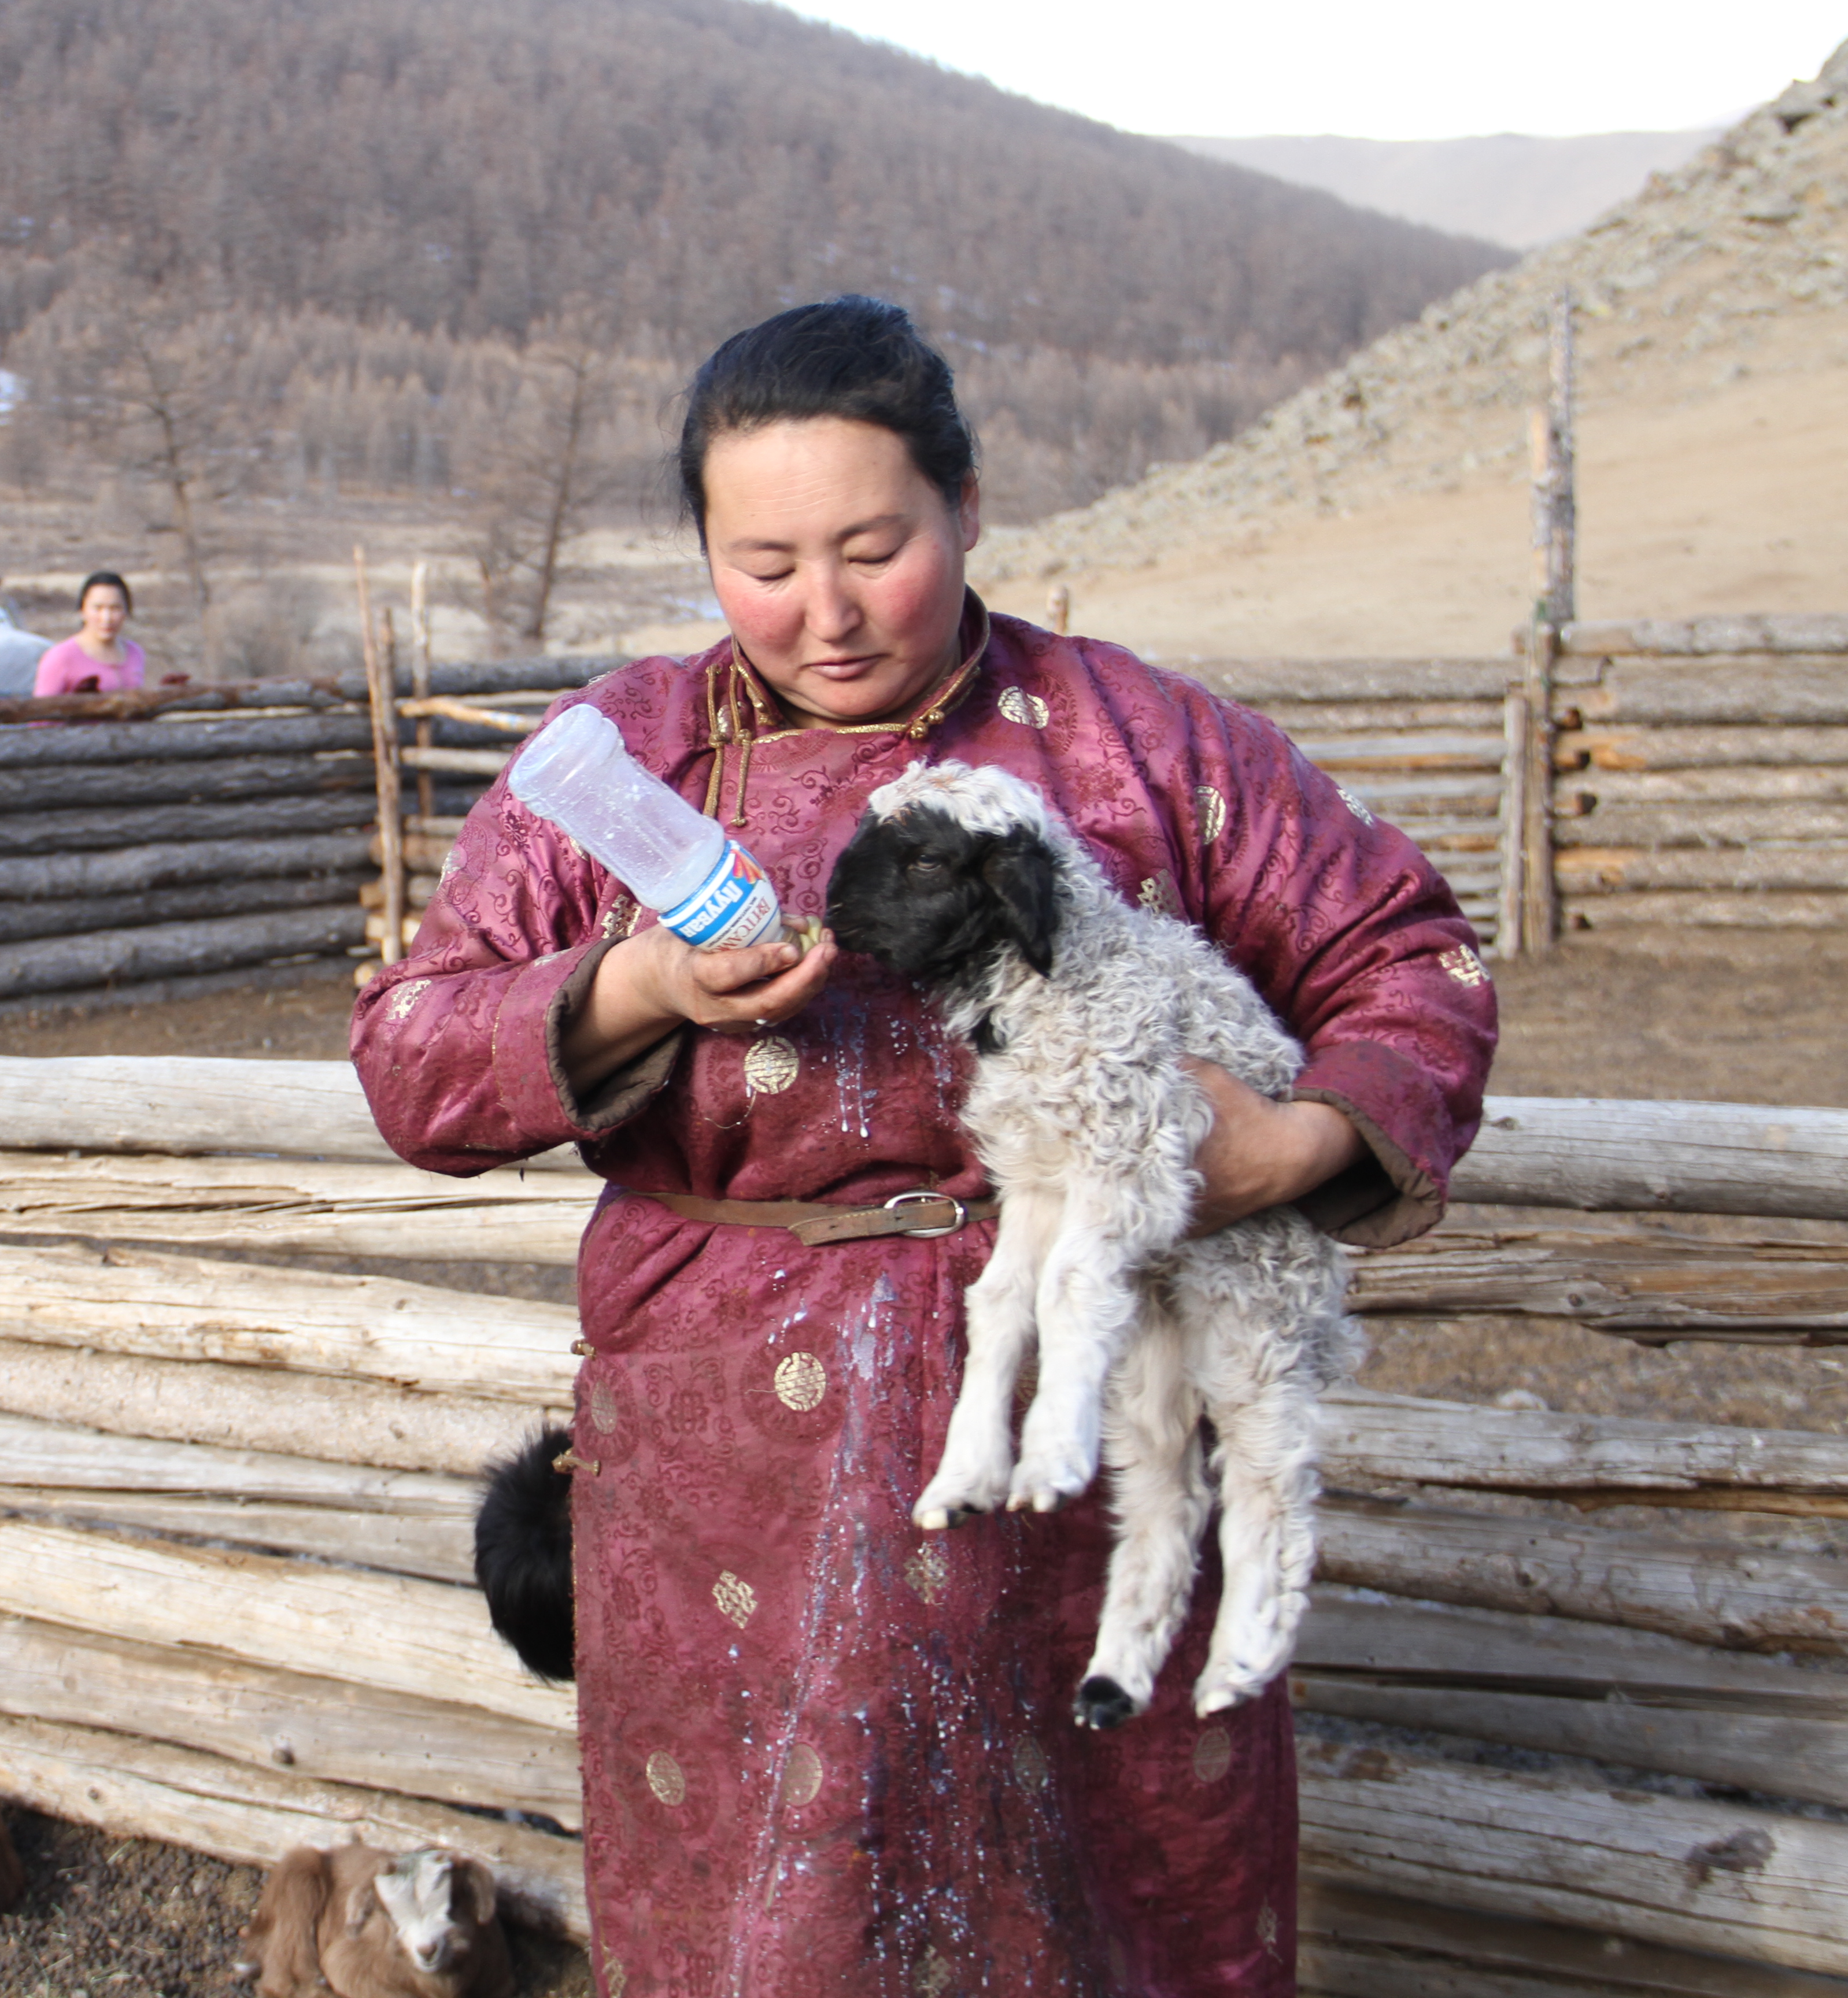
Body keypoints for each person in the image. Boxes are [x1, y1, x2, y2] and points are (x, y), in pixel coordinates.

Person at [349, 297, 1495, 1997]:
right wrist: (635, 988)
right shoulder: (620, 768)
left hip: (1087, 1429)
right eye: (763, 562)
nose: (823, 612)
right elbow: (410, 1055)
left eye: (875, 547)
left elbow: (1414, 960)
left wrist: (1290, 1149)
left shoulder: (1144, 744)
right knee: (765, 1911)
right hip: (722, 1454)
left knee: (1110, 1903)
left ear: (967, 504)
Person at [31, 570, 146, 695]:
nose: (106, 618)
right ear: (83, 610)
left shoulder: (135, 653)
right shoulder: (60, 657)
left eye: (115, 608)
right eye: (98, 608)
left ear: (126, 611)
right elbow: (42, 710)